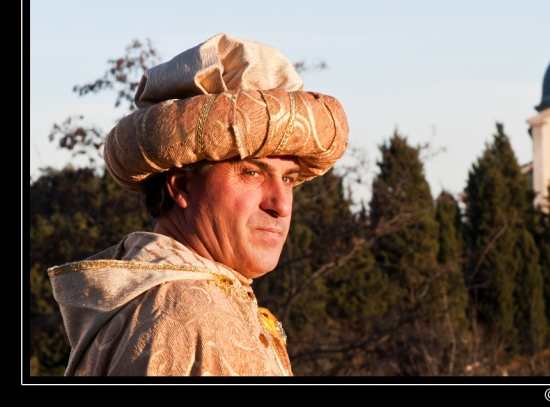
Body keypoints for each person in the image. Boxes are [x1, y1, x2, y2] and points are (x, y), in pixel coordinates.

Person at [48, 34, 349, 376]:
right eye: (251, 172)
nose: (280, 204)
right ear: (182, 186)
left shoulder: (147, 298)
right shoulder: (192, 320)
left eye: (288, 179)